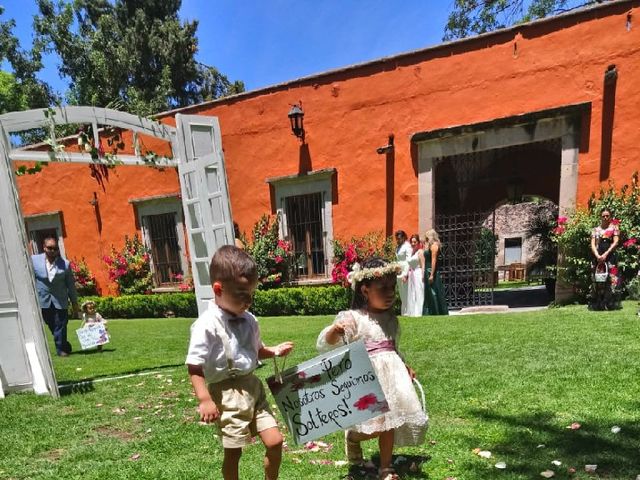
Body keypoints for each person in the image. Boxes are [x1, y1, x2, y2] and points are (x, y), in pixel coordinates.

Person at [186, 245, 294, 480]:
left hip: (253, 387)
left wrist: (273, 351)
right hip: (227, 393)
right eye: (241, 294)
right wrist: (204, 399)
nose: (248, 301)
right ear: (218, 289)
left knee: (275, 441)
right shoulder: (207, 324)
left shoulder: (249, 320)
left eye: (251, 294)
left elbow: (256, 351)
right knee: (234, 453)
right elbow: (194, 365)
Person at [317, 257, 428, 480]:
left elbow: (393, 347)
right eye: (383, 288)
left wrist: (405, 366)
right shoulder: (354, 318)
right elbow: (326, 342)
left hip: (392, 377)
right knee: (374, 425)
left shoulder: (391, 320)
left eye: (392, 288)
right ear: (365, 290)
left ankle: (385, 467)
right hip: (367, 377)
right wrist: (335, 330)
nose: (390, 293)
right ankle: (354, 437)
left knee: (390, 422)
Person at [32, 236, 79, 357]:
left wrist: (74, 303)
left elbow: (70, 285)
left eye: (55, 248)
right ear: (44, 247)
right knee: (52, 325)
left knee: (61, 324)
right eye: (50, 248)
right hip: (43, 300)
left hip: (60, 300)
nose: (53, 251)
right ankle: (65, 345)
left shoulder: (65, 264)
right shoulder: (34, 260)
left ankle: (61, 350)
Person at [590, 208, 621, 310]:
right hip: (598, 258)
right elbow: (593, 244)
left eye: (607, 215)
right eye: (603, 216)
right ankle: (599, 302)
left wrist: (606, 254)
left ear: (610, 216)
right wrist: (598, 256)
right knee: (598, 279)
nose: (605, 217)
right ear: (600, 216)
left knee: (612, 279)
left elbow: (615, 242)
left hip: (611, 257)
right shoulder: (595, 230)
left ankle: (610, 302)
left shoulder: (614, 228)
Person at [423, 229, 449, 316]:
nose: (426, 239)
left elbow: (433, 261)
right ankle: (430, 312)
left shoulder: (434, 246)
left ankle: (436, 312)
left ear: (431, 237)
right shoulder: (430, 245)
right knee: (429, 292)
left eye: (427, 238)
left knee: (434, 292)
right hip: (427, 271)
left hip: (431, 271)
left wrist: (431, 275)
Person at [406, 234, 425, 317]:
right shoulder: (412, 252)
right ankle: (413, 312)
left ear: (418, 242)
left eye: (415, 242)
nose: (413, 244)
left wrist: (423, 276)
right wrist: (406, 275)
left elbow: (423, 265)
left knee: (419, 292)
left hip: (418, 274)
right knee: (413, 293)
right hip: (412, 275)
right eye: (412, 242)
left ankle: (419, 312)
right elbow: (410, 266)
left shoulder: (420, 252)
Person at [394, 230, 412, 315]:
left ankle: (408, 312)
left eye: (399, 238)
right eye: (397, 238)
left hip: (405, 270)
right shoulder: (398, 247)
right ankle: (404, 312)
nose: (398, 240)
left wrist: (406, 274)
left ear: (404, 237)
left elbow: (409, 261)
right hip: (399, 271)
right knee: (401, 293)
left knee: (406, 292)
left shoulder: (407, 246)